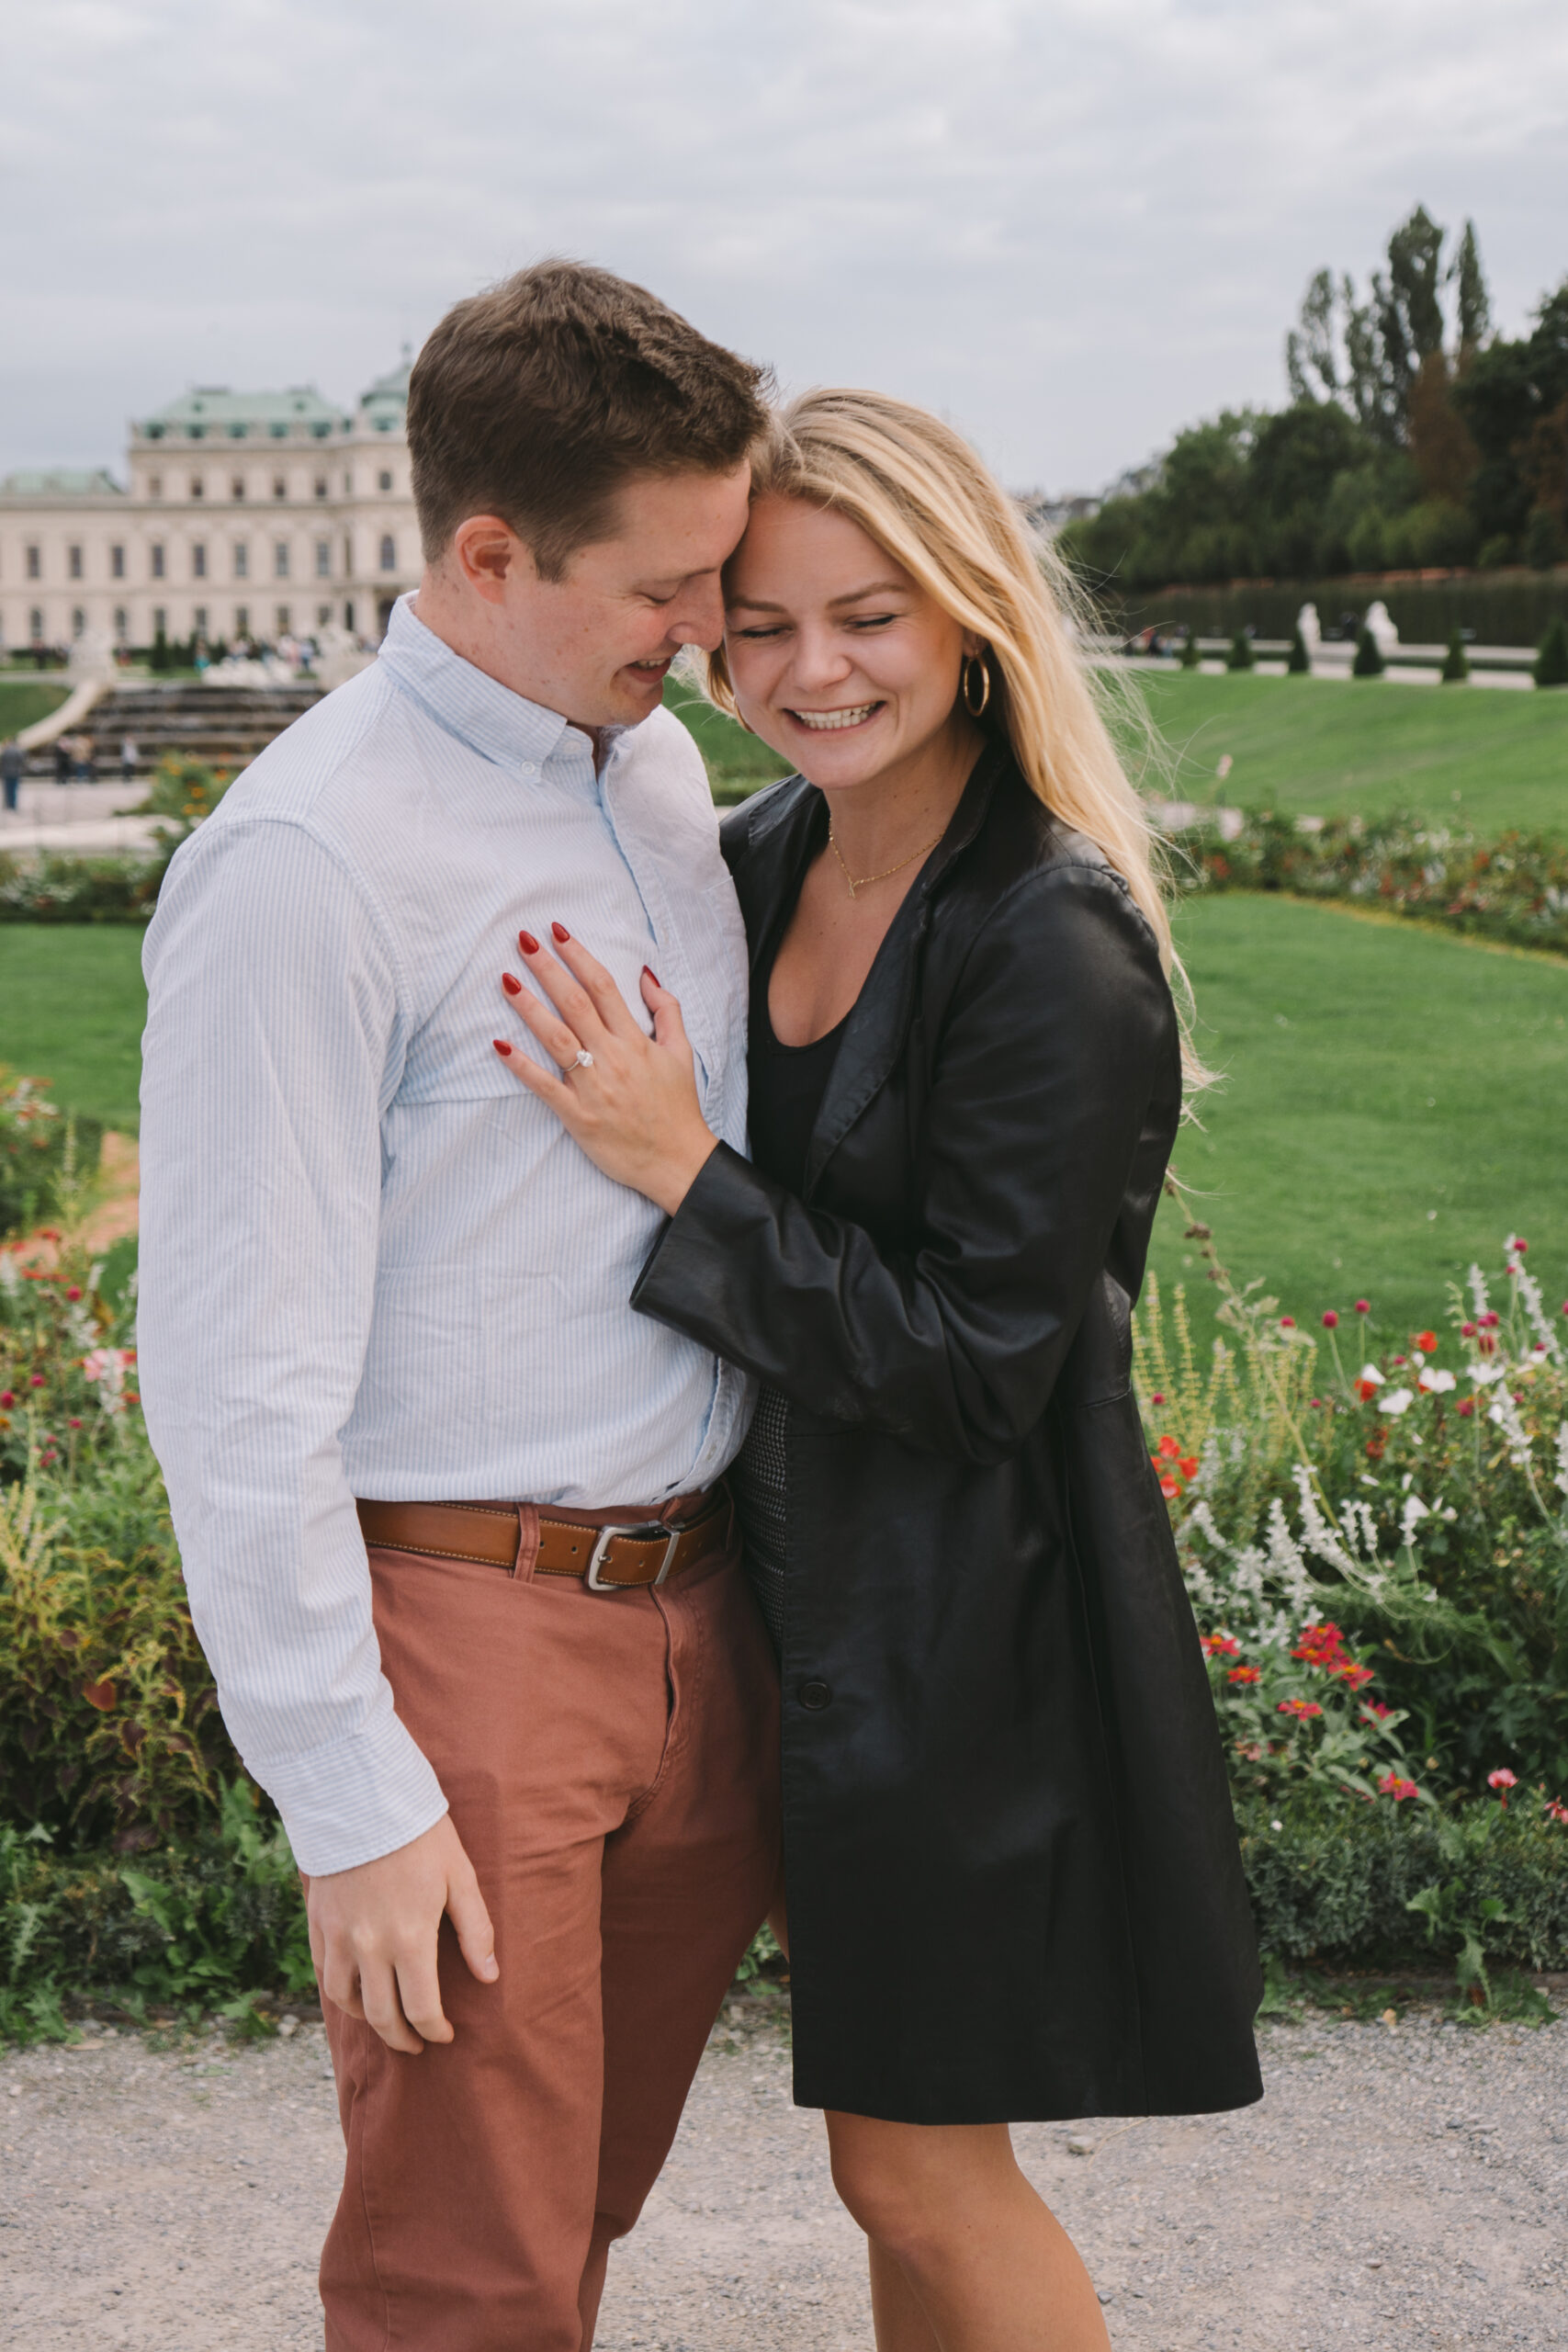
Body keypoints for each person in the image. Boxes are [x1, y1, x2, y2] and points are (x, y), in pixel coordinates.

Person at [491, 388, 1263, 2351]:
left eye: (869, 615)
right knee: (886, 2175)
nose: (807, 668)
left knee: (916, 2168)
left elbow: (981, 1364)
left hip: (965, 1633)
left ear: (971, 611)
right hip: (788, 1610)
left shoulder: (1048, 936)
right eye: (757, 621)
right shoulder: (745, 861)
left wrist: (689, 1172)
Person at [138, 263, 781, 2352]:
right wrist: (354, 1789)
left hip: (697, 1621)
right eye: (667, 584)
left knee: (574, 2212)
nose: (709, 631)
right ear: (488, 555)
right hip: (471, 1642)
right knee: (461, 2279)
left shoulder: (652, 778)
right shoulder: (310, 859)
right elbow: (235, 1381)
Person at [0, 737, 22, 813]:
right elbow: (21, 761)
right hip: (15, 773)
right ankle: (13, 805)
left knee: (7, 790)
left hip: (6, 773)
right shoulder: (17, 751)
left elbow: (2, 763)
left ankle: (8, 804)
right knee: (14, 790)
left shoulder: (5, 752)